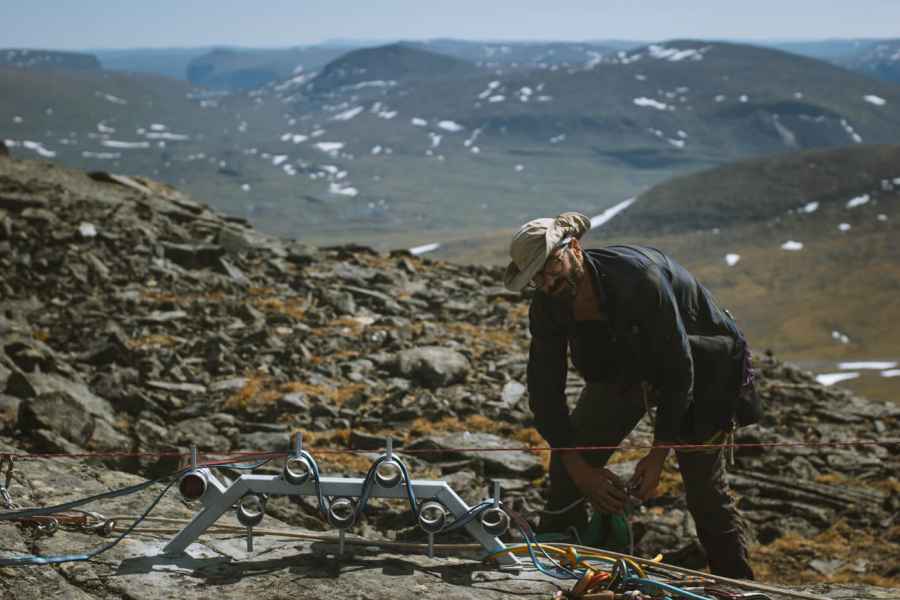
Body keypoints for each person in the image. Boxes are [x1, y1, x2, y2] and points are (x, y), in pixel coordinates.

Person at [504, 212, 761, 579]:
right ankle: (557, 571)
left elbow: (678, 370)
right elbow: (544, 388)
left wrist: (657, 457)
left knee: (704, 490)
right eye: (536, 278)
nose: (547, 282)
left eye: (551, 267)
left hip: (703, 365)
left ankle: (735, 583)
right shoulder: (548, 304)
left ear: (574, 248)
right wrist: (580, 470)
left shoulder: (640, 279)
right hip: (623, 370)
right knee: (568, 468)